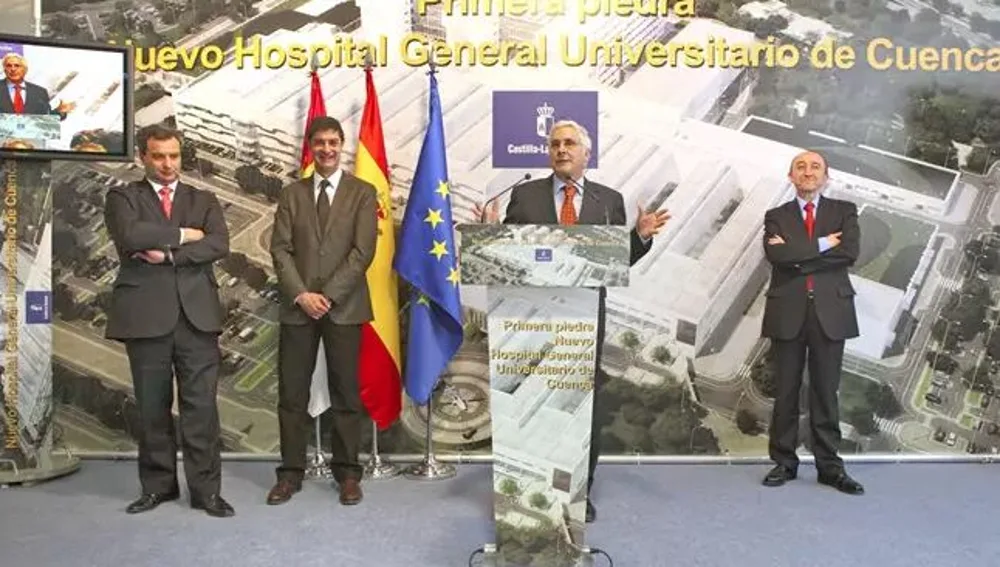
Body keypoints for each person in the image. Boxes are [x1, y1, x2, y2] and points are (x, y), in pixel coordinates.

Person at [477, 119, 670, 522]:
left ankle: (580, 489)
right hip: (531, 318)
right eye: (555, 144)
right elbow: (511, 254)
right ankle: (532, 484)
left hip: (584, 315)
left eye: (570, 144)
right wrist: (490, 233)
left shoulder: (608, 200)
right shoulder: (525, 195)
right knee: (530, 397)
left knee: (581, 405)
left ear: (586, 153)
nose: (561, 149)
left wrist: (641, 237)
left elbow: (619, 261)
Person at [103, 124, 234, 517]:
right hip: (145, 318)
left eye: (174, 156)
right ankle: (158, 487)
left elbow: (218, 243)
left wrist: (171, 253)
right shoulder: (122, 196)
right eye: (158, 156)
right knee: (151, 409)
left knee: (201, 410)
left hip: (196, 319)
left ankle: (206, 492)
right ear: (143, 156)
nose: (167, 164)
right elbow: (131, 234)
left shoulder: (204, 198)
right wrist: (184, 233)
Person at [267, 116, 378, 506]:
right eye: (320, 143)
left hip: (344, 308)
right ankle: (290, 474)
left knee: (347, 394)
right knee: (291, 395)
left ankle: (348, 474)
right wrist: (302, 295)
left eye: (333, 142)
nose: (327, 149)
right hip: (298, 309)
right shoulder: (291, 193)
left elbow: (363, 252)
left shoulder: (363, 192)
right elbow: (279, 248)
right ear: (310, 146)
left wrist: (326, 296)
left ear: (342, 144)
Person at [760, 150, 864, 495]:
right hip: (787, 312)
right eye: (800, 167)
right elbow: (777, 255)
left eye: (815, 167)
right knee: (786, 392)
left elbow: (848, 252)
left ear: (826, 177)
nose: (808, 172)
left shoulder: (844, 212)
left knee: (825, 392)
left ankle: (830, 468)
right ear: (791, 177)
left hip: (830, 313)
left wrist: (798, 257)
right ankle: (784, 463)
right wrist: (822, 244)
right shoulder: (775, 216)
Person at [0, 53, 74, 117]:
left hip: (30, 133)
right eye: (9, 66)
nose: (13, 69)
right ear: (4, 69)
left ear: (25, 69)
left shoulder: (39, 92)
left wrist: (59, 111)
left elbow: (44, 118)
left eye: (17, 66)